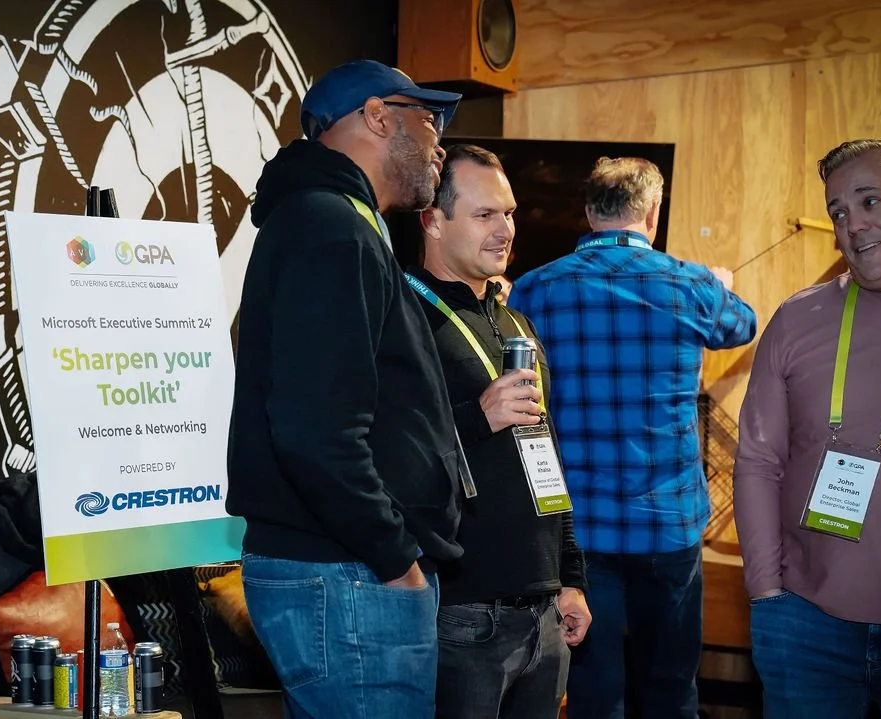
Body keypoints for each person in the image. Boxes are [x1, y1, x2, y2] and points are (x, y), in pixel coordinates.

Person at [226, 59, 465, 719]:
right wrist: (394, 559)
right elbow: (315, 431)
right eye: (428, 118)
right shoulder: (330, 226)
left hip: (344, 574)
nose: (439, 142)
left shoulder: (334, 221)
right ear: (378, 116)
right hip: (350, 577)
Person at [733, 139, 881, 718]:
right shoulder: (799, 316)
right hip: (806, 623)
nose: (853, 224)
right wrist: (767, 593)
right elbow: (758, 461)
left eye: (870, 201)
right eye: (838, 211)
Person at [510, 156, 757, 719]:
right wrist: (722, 284)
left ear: (589, 211)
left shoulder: (535, 288)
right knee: (669, 686)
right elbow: (742, 324)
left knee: (592, 689)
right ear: (652, 212)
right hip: (667, 525)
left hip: (577, 530)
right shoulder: (691, 283)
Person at [407, 144, 590, 719]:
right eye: (485, 214)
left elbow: (545, 453)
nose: (505, 229)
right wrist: (475, 418)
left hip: (544, 611)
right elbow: (388, 456)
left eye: (508, 213)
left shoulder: (516, 322)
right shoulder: (404, 317)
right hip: (462, 612)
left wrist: (568, 578)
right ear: (434, 220)